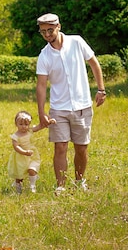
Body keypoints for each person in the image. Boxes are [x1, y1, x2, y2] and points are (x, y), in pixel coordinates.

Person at [35, 13, 106, 195]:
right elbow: (41, 85)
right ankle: (61, 186)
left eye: (50, 30)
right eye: (43, 32)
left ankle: (79, 181)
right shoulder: (44, 56)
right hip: (59, 109)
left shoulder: (77, 42)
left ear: (59, 26)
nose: (47, 35)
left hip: (82, 105)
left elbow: (94, 63)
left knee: (81, 148)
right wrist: (41, 112)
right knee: (60, 147)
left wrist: (101, 89)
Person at [7, 110, 55, 194]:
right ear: (16, 124)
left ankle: (32, 186)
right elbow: (16, 147)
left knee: (32, 169)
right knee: (19, 175)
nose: (24, 127)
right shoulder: (15, 136)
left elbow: (39, 126)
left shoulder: (29, 131)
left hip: (32, 155)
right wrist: (24, 152)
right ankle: (18, 188)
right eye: (21, 124)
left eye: (26, 124)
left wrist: (49, 122)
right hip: (20, 157)